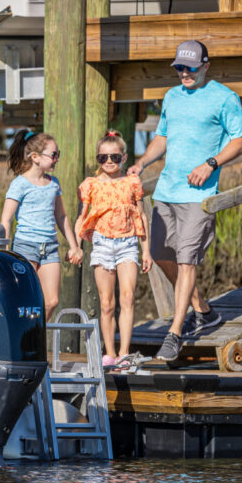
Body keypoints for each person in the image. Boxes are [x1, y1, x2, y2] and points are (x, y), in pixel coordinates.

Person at [127, 40, 242, 362]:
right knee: (159, 254)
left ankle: (175, 333)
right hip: (167, 192)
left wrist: (211, 164)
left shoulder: (224, 98)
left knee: (187, 262)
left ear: (206, 65)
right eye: (180, 67)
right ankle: (203, 310)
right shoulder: (171, 97)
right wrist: (143, 163)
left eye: (191, 68)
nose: (184, 73)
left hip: (199, 197)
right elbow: (163, 137)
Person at [74, 130, 153, 372]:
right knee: (107, 303)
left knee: (127, 298)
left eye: (115, 157)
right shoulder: (90, 185)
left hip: (128, 243)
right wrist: (76, 246)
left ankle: (124, 353)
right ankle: (109, 353)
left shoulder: (132, 183)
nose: (109, 162)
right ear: (98, 159)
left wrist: (146, 250)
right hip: (102, 244)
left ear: (124, 158)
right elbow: (82, 217)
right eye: (103, 158)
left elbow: (141, 216)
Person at [0, 130, 83, 323]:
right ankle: (22, 339)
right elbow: (6, 219)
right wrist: (5, 251)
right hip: (25, 246)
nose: (56, 159)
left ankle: (32, 335)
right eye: (53, 155)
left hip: (50, 247)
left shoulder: (54, 184)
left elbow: (61, 217)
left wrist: (74, 246)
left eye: (58, 154)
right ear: (35, 157)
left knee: (52, 301)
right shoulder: (19, 184)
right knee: (25, 299)